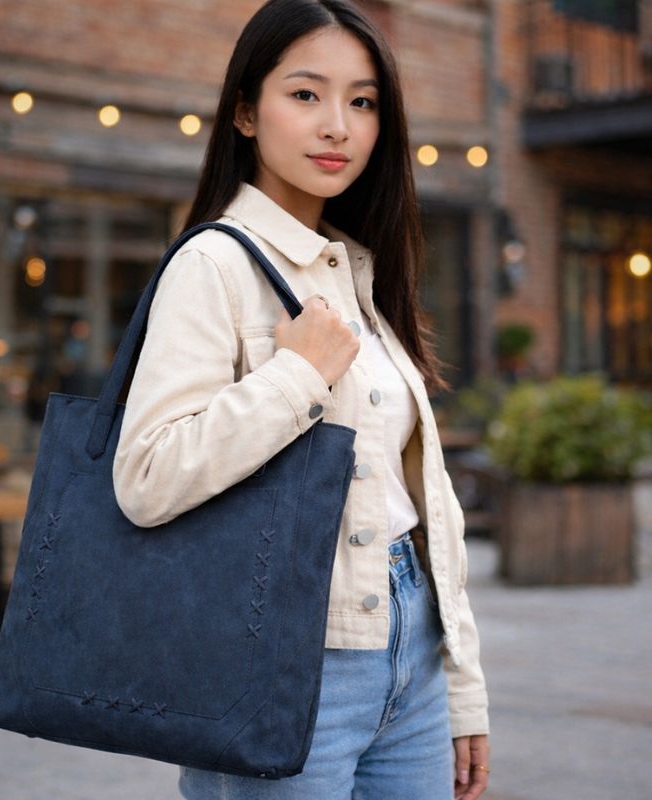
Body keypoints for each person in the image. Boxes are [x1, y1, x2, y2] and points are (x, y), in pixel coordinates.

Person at [113, 1, 490, 797]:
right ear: (246, 111)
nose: (338, 127)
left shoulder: (359, 271)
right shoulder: (213, 266)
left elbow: (422, 498)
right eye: (306, 95)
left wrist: (461, 688)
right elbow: (146, 477)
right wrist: (296, 380)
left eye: (362, 102)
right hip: (277, 656)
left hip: (410, 650)